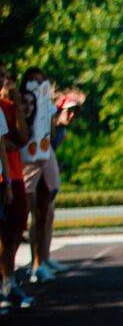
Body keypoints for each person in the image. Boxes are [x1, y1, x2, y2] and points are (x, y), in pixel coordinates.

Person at [19, 67, 71, 281]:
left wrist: (59, 120)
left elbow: (52, 132)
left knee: (46, 211)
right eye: (34, 81)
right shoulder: (23, 103)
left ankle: (43, 259)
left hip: (45, 155)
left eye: (42, 82)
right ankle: (35, 263)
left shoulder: (46, 104)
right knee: (29, 215)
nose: (39, 86)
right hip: (29, 160)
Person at [0, 66, 32, 312]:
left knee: (15, 230)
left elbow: (20, 139)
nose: (6, 82)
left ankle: (8, 282)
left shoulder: (8, 107)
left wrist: (18, 105)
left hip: (12, 175)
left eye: (7, 77)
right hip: (6, 177)